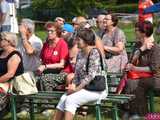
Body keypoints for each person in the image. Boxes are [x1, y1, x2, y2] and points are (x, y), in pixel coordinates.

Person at [52, 28, 107, 120]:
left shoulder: (95, 53)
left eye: (78, 39)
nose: (76, 42)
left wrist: (76, 89)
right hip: (83, 88)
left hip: (97, 89)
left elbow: (91, 76)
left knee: (71, 99)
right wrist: (72, 86)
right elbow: (76, 74)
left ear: (86, 40)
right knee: (63, 98)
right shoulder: (80, 54)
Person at [124, 21, 160, 119]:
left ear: (143, 33)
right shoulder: (138, 45)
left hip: (155, 78)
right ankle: (138, 113)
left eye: (136, 30)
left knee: (134, 83)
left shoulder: (155, 48)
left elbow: (153, 69)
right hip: (141, 77)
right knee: (132, 82)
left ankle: (136, 113)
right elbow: (131, 60)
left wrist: (135, 68)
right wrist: (141, 49)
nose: (134, 32)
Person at [0, 32, 24, 117]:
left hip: (11, 86)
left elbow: (10, 74)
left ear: (9, 41)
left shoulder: (14, 55)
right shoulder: (1, 52)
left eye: (1, 39)